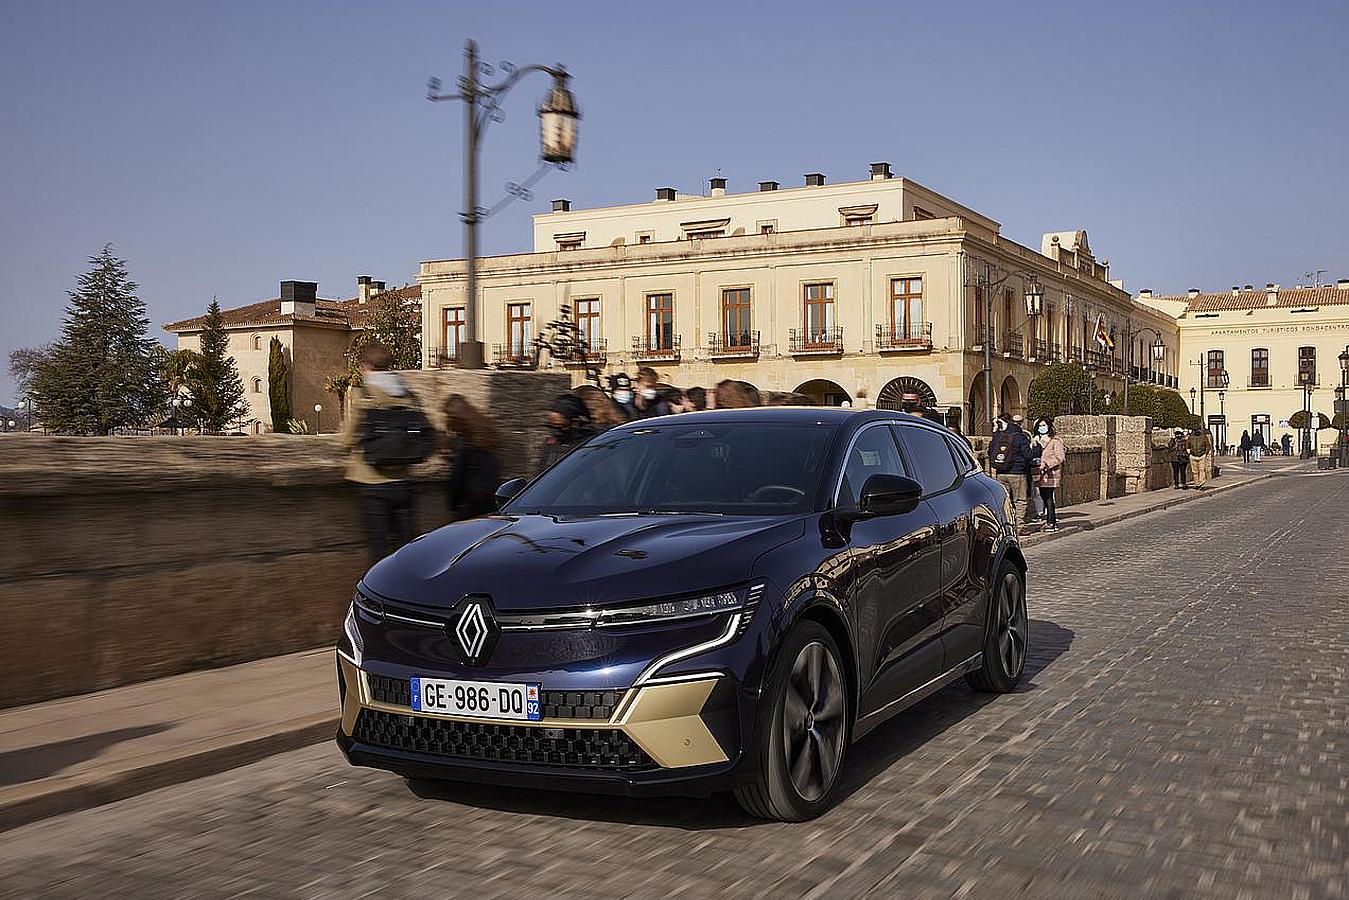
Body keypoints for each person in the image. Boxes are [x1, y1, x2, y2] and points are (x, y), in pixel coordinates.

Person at [342, 343, 433, 562]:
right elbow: (427, 431)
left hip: (371, 480)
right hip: (404, 479)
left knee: (379, 548)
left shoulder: (363, 393)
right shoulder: (408, 394)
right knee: (407, 546)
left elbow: (348, 437)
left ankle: (382, 592)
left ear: (366, 366)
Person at [441, 393, 501, 522]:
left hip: (470, 502)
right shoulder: (486, 431)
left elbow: (457, 476)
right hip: (491, 497)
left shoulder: (463, 442)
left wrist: (453, 504)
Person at [989, 413, 1033, 522]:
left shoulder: (998, 436)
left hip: (1000, 472)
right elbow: (1028, 455)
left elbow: (990, 451)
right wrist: (1037, 449)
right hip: (1017, 473)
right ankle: (1019, 526)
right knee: (1020, 500)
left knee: (1004, 500)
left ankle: (1006, 523)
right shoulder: (1020, 436)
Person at [537, 393, 596, 473]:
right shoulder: (551, 443)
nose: (555, 431)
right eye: (552, 426)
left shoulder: (590, 444)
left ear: (576, 422)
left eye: (559, 425)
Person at [1033, 417, 1065, 532]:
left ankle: (1051, 522)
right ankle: (1050, 520)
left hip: (1051, 474)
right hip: (1039, 474)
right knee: (1043, 496)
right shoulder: (1036, 440)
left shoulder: (1055, 441)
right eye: (1040, 426)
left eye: (1044, 425)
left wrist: (1047, 465)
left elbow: (1060, 457)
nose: (1042, 428)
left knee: (1048, 497)